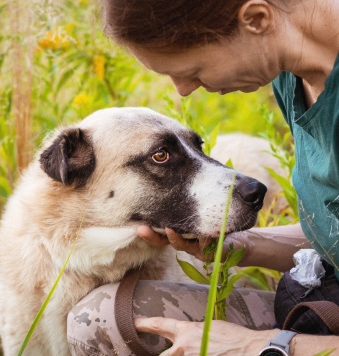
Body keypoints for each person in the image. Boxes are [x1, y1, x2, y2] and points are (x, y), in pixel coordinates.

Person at [67, 0, 339, 354]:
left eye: (193, 69)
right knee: (104, 319)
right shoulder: (292, 75)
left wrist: (256, 345)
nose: (183, 89)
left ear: (256, 20)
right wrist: (239, 246)